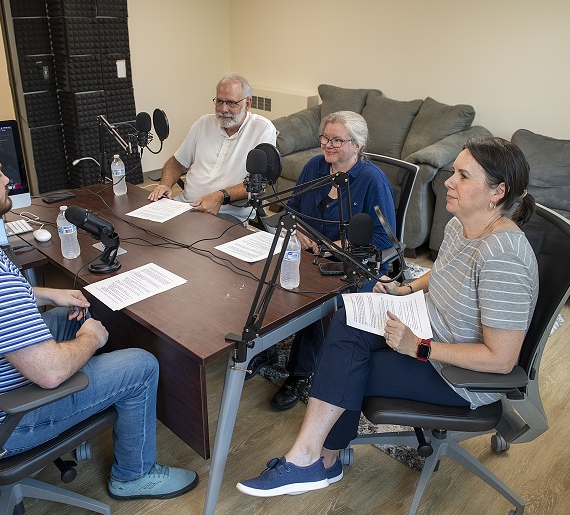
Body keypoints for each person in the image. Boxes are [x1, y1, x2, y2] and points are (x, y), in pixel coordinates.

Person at [0, 127, 198, 501]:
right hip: (0, 422)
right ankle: (134, 476)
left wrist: (43, 292)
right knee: (140, 363)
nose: (7, 180)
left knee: (68, 318)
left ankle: (93, 402)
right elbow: (49, 373)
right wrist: (91, 338)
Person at [236, 136, 538, 496]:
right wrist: (404, 290)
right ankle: (323, 460)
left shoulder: (504, 258)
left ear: (497, 192)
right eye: (453, 171)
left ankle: (308, 459)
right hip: (427, 328)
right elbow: (443, 272)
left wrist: (420, 348)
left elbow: (502, 360)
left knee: (347, 367)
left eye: (463, 175)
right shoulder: (462, 224)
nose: (449, 181)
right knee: (348, 314)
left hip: (457, 376)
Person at [251, 111, 396, 411]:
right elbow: (292, 209)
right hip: (309, 253)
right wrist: (301, 231)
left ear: (357, 145)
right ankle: (264, 347)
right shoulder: (315, 166)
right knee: (259, 278)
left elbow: (384, 241)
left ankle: (300, 373)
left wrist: (331, 247)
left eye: (337, 140)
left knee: (316, 301)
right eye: (325, 138)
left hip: (352, 264)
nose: (328, 145)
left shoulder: (372, 180)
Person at [147, 73, 277, 223]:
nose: (223, 109)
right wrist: (165, 184)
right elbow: (177, 162)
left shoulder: (262, 129)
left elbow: (259, 184)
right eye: (219, 101)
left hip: (226, 213)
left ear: (247, 103)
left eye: (231, 103)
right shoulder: (203, 123)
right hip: (183, 206)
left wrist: (220, 196)